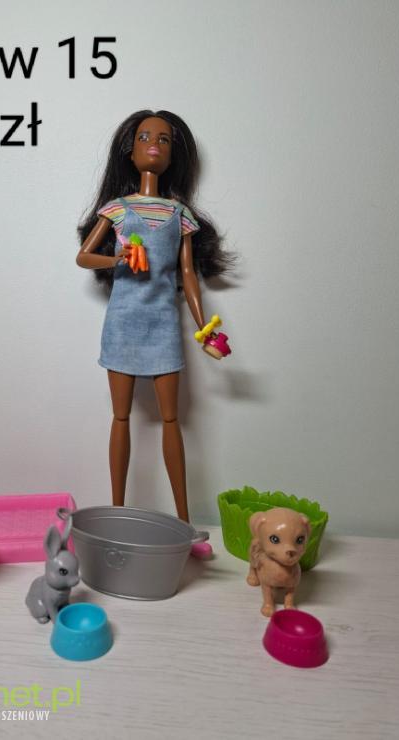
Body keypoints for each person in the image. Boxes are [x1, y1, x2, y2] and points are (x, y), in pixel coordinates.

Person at [76, 110, 231, 558]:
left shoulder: (179, 215)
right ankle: (115, 517)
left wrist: (204, 327)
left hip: (163, 325)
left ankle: (186, 525)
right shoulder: (118, 209)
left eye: (163, 140)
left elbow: (189, 274)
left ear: (173, 153)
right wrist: (117, 259)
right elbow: (84, 257)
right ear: (130, 151)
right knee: (121, 419)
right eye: (145, 137)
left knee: (171, 421)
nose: (154, 145)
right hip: (123, 323)